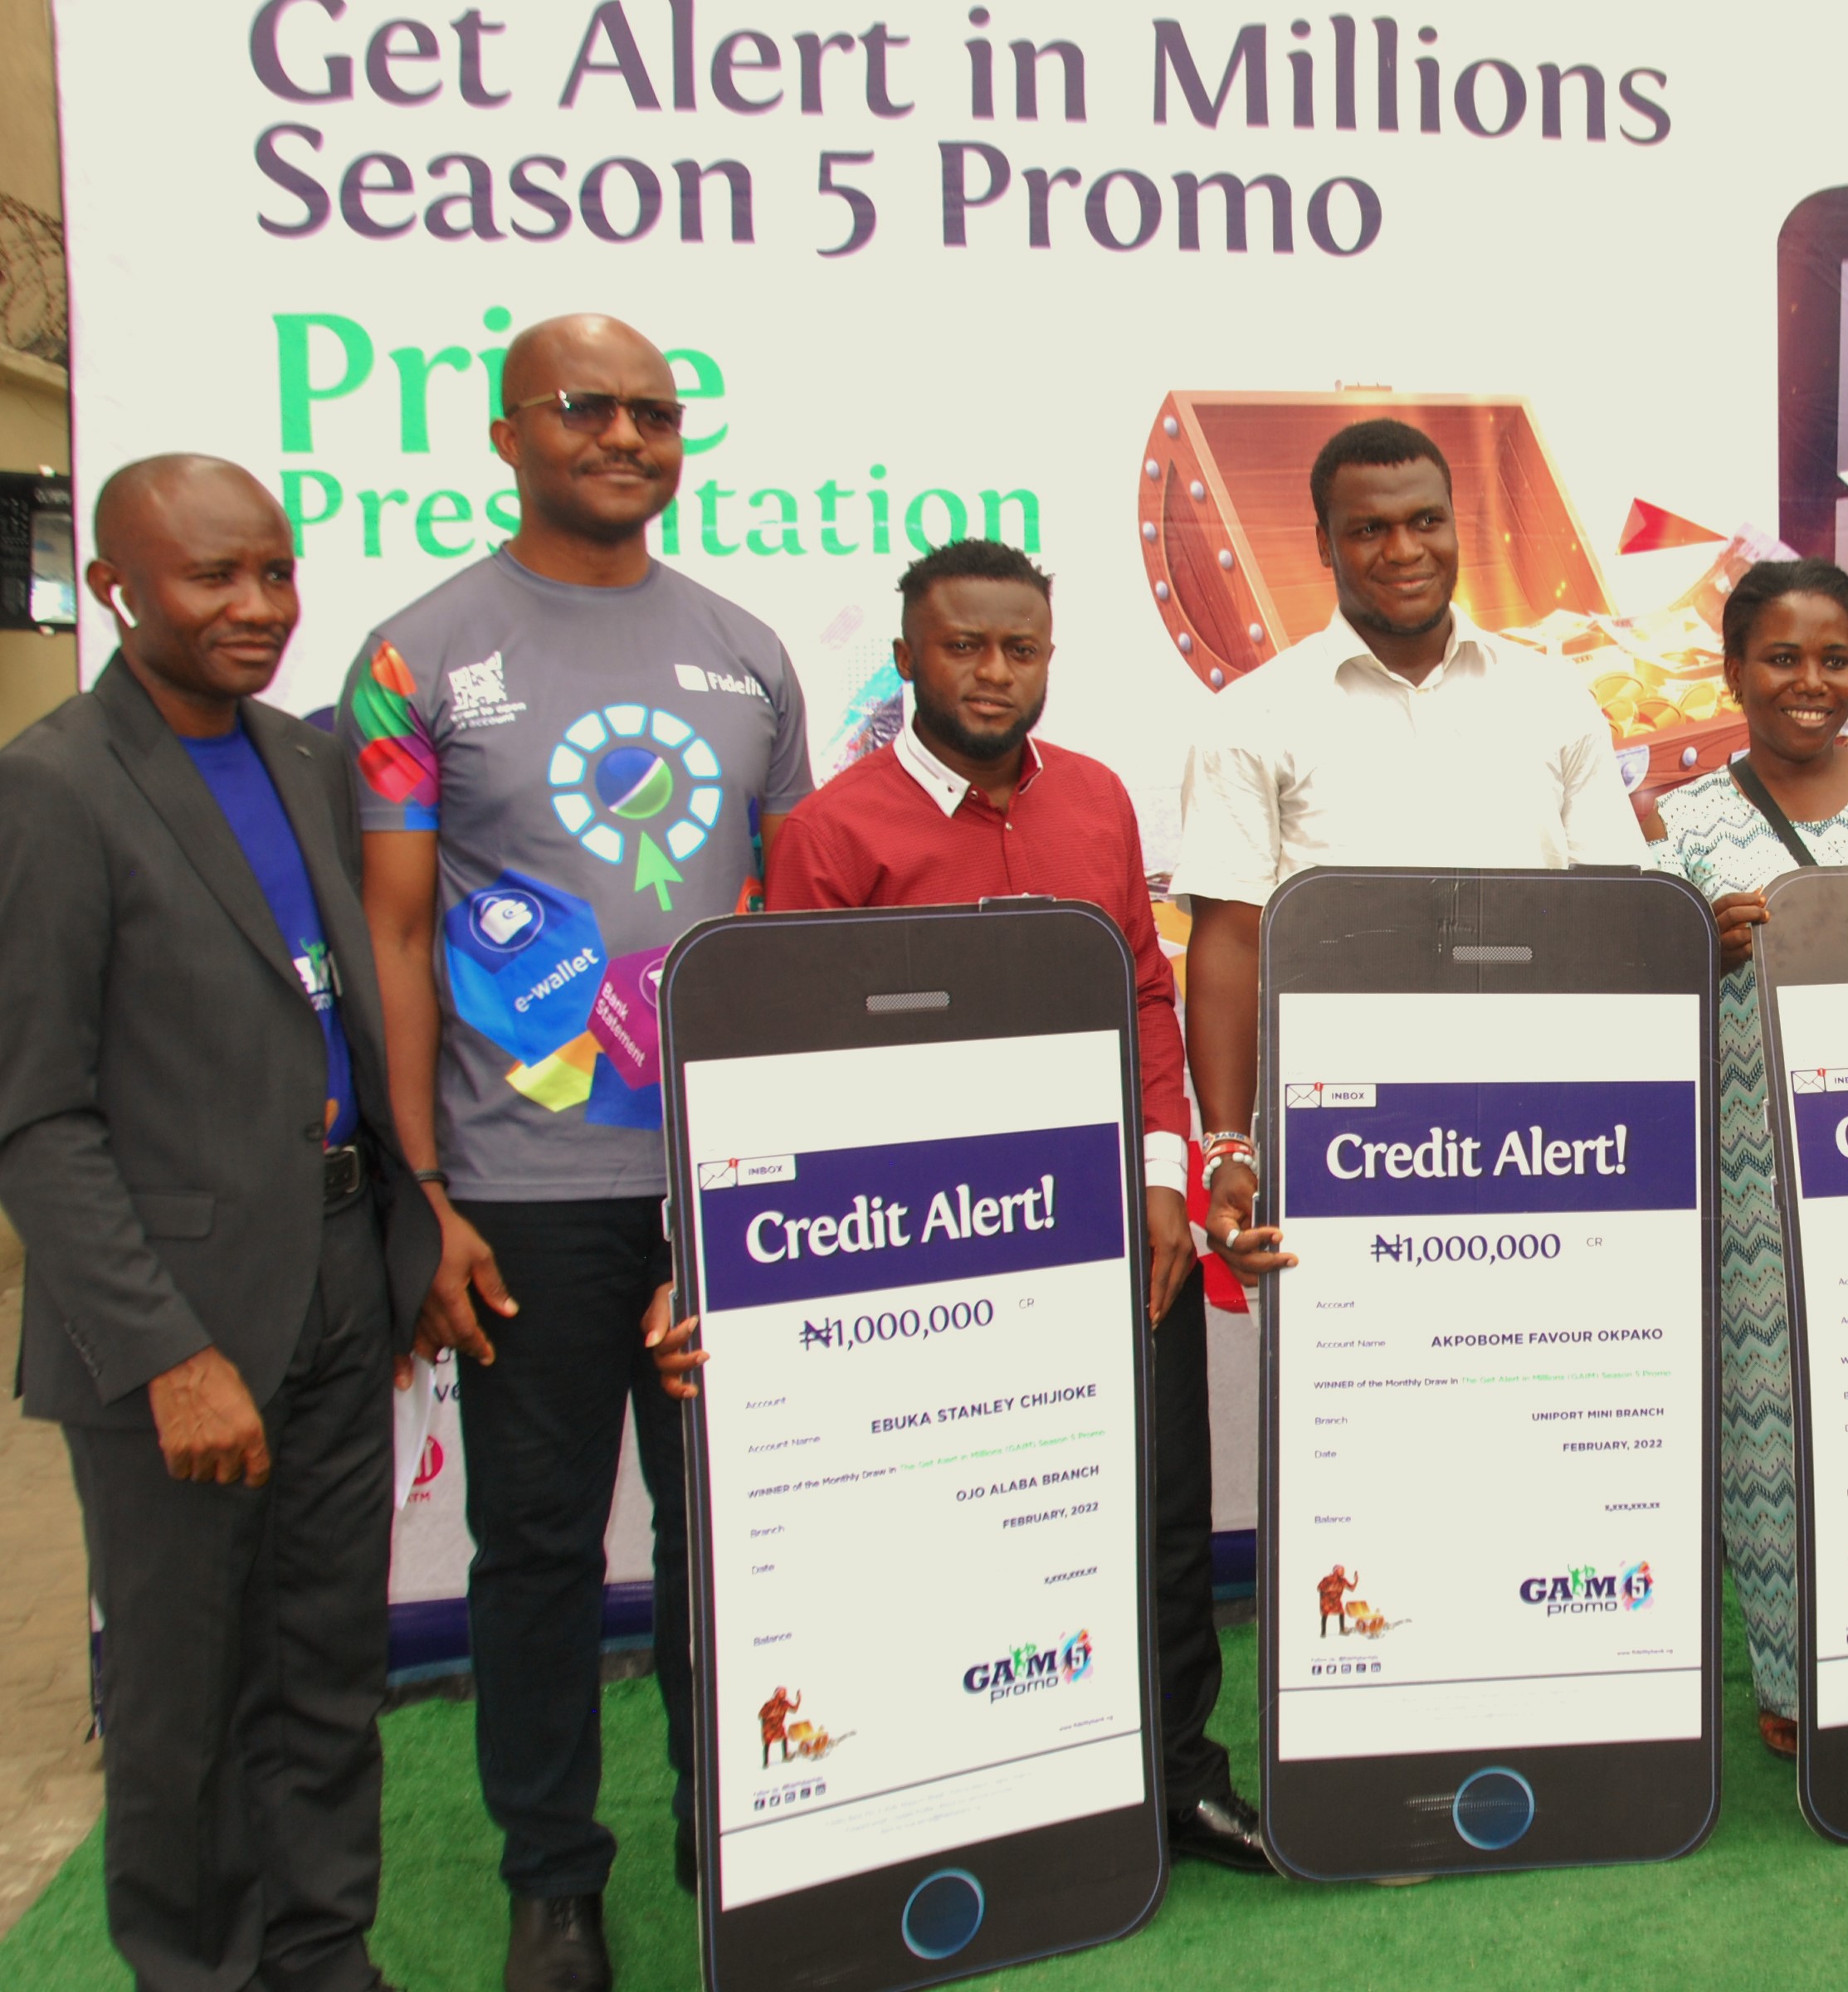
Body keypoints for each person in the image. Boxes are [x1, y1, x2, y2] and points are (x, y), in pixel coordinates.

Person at [339, 313, 811, 1992]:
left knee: (731, 1534)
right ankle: (553, 1882)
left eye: (655, 412)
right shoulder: (412, 660)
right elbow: (396, 939)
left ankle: (732, 1829)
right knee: (535, 1551)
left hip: (723, 1199)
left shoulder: (749, 654)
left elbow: (778, 932)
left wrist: (774, 1172)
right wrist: (423, 1194)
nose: (625, 436)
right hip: (518, 1199)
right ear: (505, 434)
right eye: (586, 407)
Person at [752, 538, 1266, 1874]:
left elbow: (1145, 992)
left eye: (1018, 648)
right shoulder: (832, 832)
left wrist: (1165, 1176)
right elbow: (795, 1060)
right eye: (963, 646)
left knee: (1162, 1506)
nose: (993, 672)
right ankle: (978, 1781)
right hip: (935, 1254)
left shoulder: (1096, 797)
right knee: (960, 1523)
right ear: (907, 658)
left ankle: (1180, 1777)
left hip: (1116, 1224)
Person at [0, 455, 439, 1992]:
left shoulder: (305, 758)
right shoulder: (55, 788)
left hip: (339, 1280)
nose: (257, 605)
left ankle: (323, 1956)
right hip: (175, 1323)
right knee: (184, 1700)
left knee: (326, 1669)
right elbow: (36, 1116)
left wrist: (401, 1236)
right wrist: (165, 1354)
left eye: (275, 570)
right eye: (212, 577)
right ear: (115, 589)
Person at [1176, 418, 1641, 1274]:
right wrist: (1228, 1146)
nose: (1403, 550)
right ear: (1324, 544)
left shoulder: (1553, 698)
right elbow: (1230, 944)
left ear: (1457, 525)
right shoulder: (1251, 719)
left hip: (1541, 1126)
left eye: (1426, 520)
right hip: (1348, 1135)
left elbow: (1613, 916)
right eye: (1369, 529)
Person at [1646, 557, 1848, 1756]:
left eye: (1834, 657)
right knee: (1767, 1429)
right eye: (1780, 657)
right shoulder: (1680, 822)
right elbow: (1637, 1005)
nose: (1810, 681)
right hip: (1755, 1187)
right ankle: (1791, 1680)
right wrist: (1700, 950)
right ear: (1733, 670)